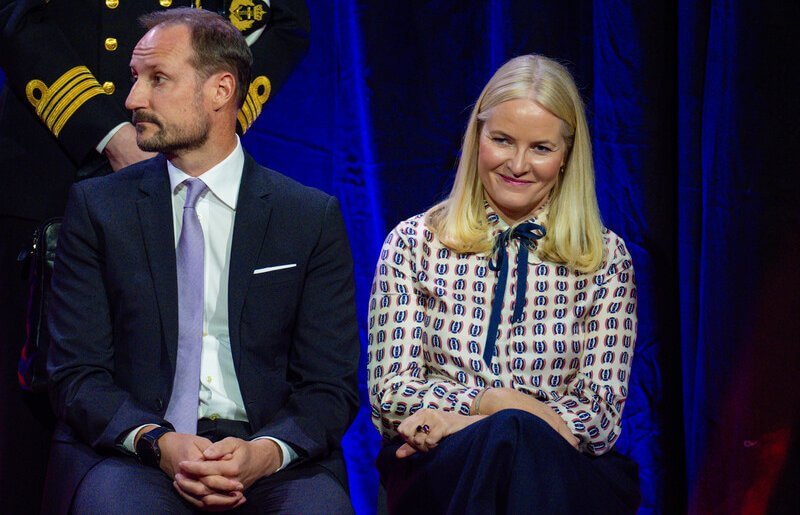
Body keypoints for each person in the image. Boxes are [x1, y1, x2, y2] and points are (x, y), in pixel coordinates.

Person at [44, 8, 358, 514]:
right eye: (135, 78)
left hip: (268, 459)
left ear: (220, 91)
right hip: (138, 454)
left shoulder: (308, 217)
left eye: (158, 79)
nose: (132, 99)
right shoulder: (99, 208)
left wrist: (265, 453)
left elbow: (329, 384)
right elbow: (77, 373)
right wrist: (156, 442)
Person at [367, 54, 640, 514]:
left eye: (540, 148)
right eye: (501, 140)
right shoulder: (413, 243)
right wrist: (496, 413)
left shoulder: (605, 258)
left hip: (565, 473)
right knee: (503, 445)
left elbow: (597, 418)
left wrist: (485, 412)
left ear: (567, 155)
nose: (517, 164)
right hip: (438, 467)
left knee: (514, 445)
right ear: (477, 137)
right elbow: (392, 395)